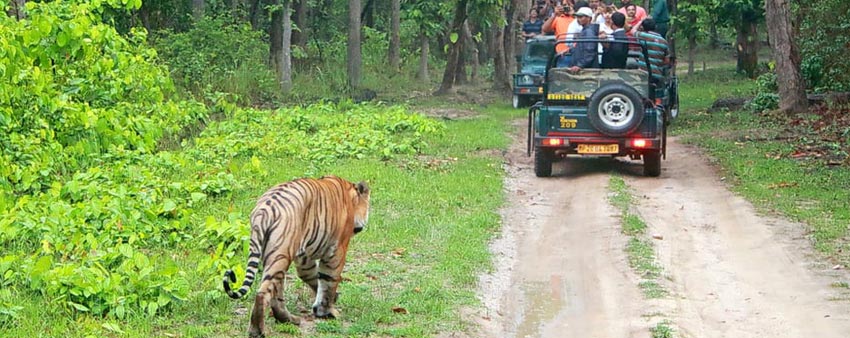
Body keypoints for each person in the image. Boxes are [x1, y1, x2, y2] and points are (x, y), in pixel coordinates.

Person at [635, 18, 670, 105]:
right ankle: (658, 109)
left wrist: (639, 22)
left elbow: (632, 30)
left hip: (643, 73)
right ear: (656, 27)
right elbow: (667, 60)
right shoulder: (664, 41)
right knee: (657, 95)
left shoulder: (642, 36)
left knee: (641, 94)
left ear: (643, 27)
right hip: (657, 73)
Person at [566, 7, 599, 72]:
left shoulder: (589, 32)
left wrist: (580, 65)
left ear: (589, 18)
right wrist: (570, 50)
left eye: (581, 17)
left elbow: (590, 52)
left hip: (586, 70)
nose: (578, 19)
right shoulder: (585, 30)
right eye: (578, 17)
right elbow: (582, 48)